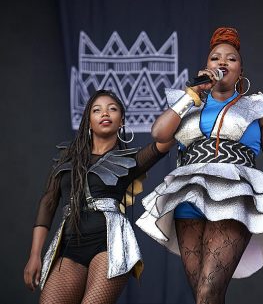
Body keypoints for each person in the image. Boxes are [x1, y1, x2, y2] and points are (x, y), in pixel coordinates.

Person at [136, 27, 263, 304]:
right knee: (204, 297)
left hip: (234, 198)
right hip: (187, 199)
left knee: (208, 291)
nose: (222, 63)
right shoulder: (187, 103)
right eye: (215, 58)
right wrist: (191, 95)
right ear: (206, 67)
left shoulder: (259, 109)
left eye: (231, 58)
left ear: (240, 70)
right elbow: (159, 134)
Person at [23, 90, 172, 304]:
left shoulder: (129, 161)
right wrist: (35, 254)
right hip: (69, 246)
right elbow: (48, 202)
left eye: (112, 109)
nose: (105, 113)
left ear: (121, 121)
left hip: (109, 245)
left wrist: (191, 96)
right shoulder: (67, 158)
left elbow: (165, 140)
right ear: (88, 121)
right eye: (97, 109)